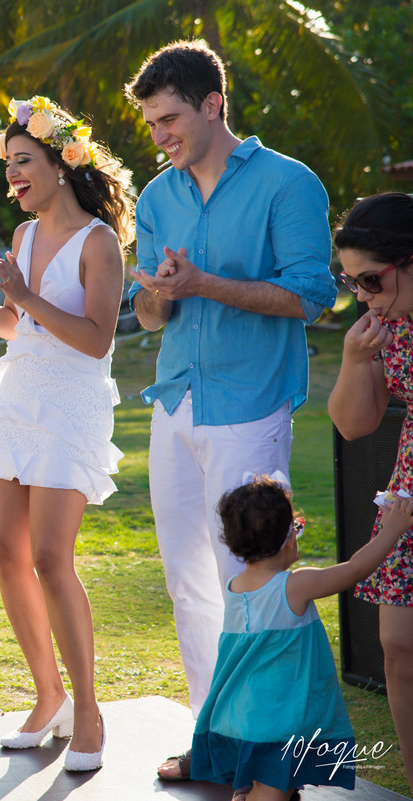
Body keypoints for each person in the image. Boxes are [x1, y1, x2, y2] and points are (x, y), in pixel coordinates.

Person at [121, 41, 338, 781]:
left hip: (251, 405)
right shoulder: (158, 197)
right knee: (186, 580)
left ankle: (268, 751)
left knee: (248, 585)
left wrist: (206, 282)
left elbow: (312, 294)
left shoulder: (288, 184)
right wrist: (159, 291)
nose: (159, 136)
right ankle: (213, 743)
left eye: (170, 118)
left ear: (214, 104)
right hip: (175, 401)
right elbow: (148, 313)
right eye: (151, 123)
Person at [0, 95, 134, 772]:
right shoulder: (22, 238)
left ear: (62, 163)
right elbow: (21, 326)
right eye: (9, 165)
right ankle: (46, 691)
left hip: (72, 408)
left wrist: (22, 300)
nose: (12, 177)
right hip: (18, 400)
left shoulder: (99, 242)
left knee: (52, 557)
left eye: (23, 162)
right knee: (5, 550)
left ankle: (87, 706)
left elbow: (95, 338)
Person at [191, 475, 413, 801]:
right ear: (286, 540)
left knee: (271, 786)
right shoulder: (294, 586)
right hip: (277, 722)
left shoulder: (235, 587)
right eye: (296, 528)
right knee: (271, 795)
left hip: (240, 715)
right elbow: (354, 569)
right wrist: (392, 530)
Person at [326, 192, 413, 792]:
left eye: (370, 279)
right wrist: (356, 359)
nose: (362, 294)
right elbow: (353, 425)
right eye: (350, 281)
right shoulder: (391, 328)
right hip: (409, 489)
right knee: (397, 643)